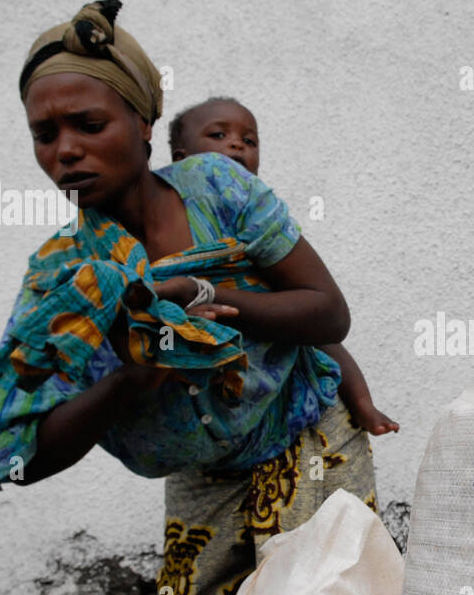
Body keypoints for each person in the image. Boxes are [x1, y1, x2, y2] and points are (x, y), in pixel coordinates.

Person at [0, 0, 381, 595]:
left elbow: (328, 309)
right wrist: (132, 376)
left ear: (140, 120)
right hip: (202, 481)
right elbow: (24, 456)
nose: (65, 151)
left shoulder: (219, 193)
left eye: (87, 125)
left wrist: (212, 304)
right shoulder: (65, 280)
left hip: (302, 430)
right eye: (44, 134)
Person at [168, 96, 399, 436]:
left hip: (286, 373)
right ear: (180, 160)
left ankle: (363, 403)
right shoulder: (172, 227)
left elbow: (325, 327)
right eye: (218, 135)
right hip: (210, 416)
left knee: (317, 341)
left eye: (249, 141)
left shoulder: (258, 222)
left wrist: (361, 401)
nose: (236, 144)